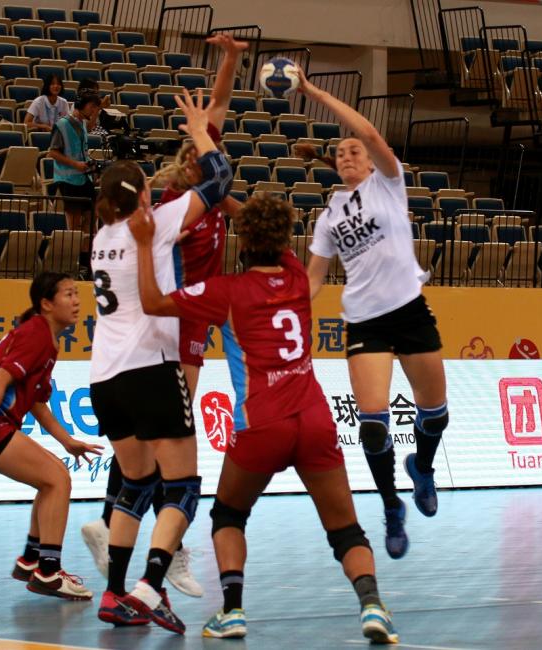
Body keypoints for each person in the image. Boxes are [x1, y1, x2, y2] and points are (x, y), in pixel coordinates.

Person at [129, 194, 399, 644]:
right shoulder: (296, 275)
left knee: (228, 516)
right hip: (314, 418)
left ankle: (232, 611)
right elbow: (264, 227)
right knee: (345, 529)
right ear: (282, 239)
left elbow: (154, 302)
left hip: (262, 424)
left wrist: (145, 241)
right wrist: (228, 196)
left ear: (244, 240)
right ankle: (373, 606)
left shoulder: (227, 291)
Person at [81, 33, 247, 600]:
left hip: (131, 348)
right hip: (171, 323)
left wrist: (228, 60)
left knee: (147, 458)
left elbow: (216, 114)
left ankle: (123, 537)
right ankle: (160, 552)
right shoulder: (172, 206)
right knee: (173, 458)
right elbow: (216, 171)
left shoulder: (105, 229)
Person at [298, 67, 448, 560]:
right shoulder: (329, 215)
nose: (347, 155)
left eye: (353, 151)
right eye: (339, 154)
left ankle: (421, 470)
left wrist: (312, 92)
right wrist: (289, 309)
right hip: (365, 321)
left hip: (410, 309)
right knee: (374, 424)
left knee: (435, 414)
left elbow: (369, 132)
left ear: (368, 159)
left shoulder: (389, 184)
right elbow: (315, 277)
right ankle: (390, 507)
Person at [0, 272, 103, 600]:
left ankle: (30, 560)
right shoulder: (35, 333)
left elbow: (35, 402)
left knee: (53, 478)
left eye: (77, 294)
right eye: (68, 294)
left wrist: (67, 441)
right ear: (46, 304)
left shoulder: (47, 340)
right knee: (57, 481)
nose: (77, 301)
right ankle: (48, 572)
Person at [47, 92, 100, 235]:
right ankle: (76, 255)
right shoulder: (62, 124)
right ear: (81, 105)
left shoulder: (82, 123)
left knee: (92, 218)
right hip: (68, 180)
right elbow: (53, 153)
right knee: (74, 224)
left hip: (84, 178)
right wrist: (76, 164)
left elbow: (89, 128)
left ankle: (87, 255)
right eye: (92, 107)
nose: (93, 110)